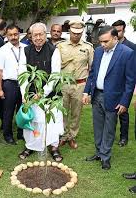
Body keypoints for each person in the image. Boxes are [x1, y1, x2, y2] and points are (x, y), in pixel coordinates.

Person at [83, 26, 135, 170]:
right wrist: (86, 92)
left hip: (114, 98)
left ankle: (105, 156)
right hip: (97, 95)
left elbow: (130, 81)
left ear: (115, 38)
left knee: (109, 128)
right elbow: (92, 73)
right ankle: (99, 152)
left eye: (105, 41)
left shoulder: (127, 53)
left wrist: (125, 102)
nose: (102, 45)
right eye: (100, 42)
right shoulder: (98, 52)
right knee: (98, 126)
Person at [18, 22, 64, 161]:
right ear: (31, 36)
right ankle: (31, 145)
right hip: (31, 95)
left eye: (41, 34)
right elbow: (22, 73)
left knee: (51, 122)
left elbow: (55, 75)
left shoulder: (53, 50)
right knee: (33, 121)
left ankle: (53, 147)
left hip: (50, 95)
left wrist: (42, 93)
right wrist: (25, 94)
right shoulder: (25, 51)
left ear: (46, 35)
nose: (38, 37)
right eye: (35, 35)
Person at [57, 20, 94, 149]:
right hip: (64, 84)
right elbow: (56, 65)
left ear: (82, 32)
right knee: (62, 111)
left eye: (79, 33)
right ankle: (63, 135)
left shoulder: (88, 47)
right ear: (69, 31)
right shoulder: (60, 46)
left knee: (76, 112)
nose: (76, 35)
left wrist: (88, 90)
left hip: (80, 84)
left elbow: (91, 68)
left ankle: (72, 136)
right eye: (73, 33)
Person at [0, 24, 26, 145]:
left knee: (23, 109)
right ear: (6, 35)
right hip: (9, 84)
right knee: (8, 111)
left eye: (15, 34)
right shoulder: (3, 50)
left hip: (23, 83)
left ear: (19, 34)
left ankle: (21, 133)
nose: (13, 37)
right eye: (10, 34)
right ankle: (8, 135)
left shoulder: (26, 48)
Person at [112, 20, 136, 147]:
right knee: (110, 112)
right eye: (115, 30)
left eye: (119, 30)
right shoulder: (111, 45)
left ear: (124, 30)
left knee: (123, 112)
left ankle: (124, 137)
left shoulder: (132, 46)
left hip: (125, 86)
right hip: (112, 84)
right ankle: (110, 136)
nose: (117, 32)